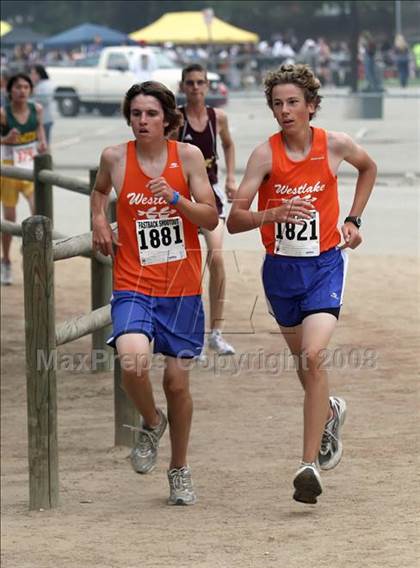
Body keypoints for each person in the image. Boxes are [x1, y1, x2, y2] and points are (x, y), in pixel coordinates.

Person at [227, 64, 377, 504]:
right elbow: (234, 219)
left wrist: (353, 219)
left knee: (314, 356)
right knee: (306, 367)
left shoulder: (334, 145)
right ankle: (330, 410)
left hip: (326, 265)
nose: (285, 110)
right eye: (278, 103)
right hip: (280, 273)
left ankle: (308, 465)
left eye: (293, 102)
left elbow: (368, 168)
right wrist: (268, 215)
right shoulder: (263, 155)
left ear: (311, 106)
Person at [91, 81, 218, 505]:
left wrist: (177, 197)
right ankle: (151, 420)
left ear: (167, 119)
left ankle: (179, 468)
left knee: (177, 383)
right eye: (135, 114)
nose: (141, 121)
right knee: (132, 360)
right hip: (133, 281)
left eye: (150, 114)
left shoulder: (188, 157)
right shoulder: (114, 157)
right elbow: (99, 192)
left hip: (180, 288)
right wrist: (98, 220)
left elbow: (211, 217)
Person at [174, 63, 237, 356]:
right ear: (183, 87)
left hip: (211, 194)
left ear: (208, 86)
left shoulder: (218, 117)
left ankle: (217, 332)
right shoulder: (177, 118)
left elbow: (228, 145)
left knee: (217, 258)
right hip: (184, 196)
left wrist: (231, 177)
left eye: (201, 82)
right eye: (190, 83)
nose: (196, 87)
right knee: (186, 266)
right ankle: (190, 334)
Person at [0, 73, 47, 286]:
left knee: (38, 209)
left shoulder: (36, 110)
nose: (22, 91)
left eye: (26, 87)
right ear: (10, 90)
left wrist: (43, 143)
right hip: (10, 170)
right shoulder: (3, 113)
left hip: (29, 169)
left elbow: (39, 130)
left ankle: (31, 250)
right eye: (18, 87)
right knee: (9, 219)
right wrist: (5, 140)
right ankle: (6, 260)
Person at [29, 64, 55, 146]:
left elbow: (45, 100)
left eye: (33, 73)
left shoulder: (45, 85)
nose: (31, 76)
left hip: (45, 120)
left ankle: (47, 158)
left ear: (39, 74)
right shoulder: (39, 84)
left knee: (44, 144)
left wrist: (29, 100)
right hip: (41, 119)